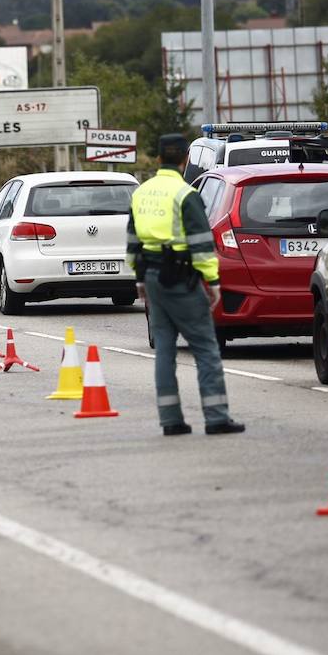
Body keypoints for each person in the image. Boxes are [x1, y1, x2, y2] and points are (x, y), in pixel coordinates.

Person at [128, 133, 245, 436]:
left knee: (165, 350)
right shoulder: (185, 194)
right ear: (185, 160)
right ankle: (217, 417)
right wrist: (213, 281)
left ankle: (170, 420)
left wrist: (140, 277)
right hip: (181, 278)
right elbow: (202, 244)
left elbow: (132, 242)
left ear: (157, 160)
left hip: (153, 277)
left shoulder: (142, 193)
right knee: (206, 346)